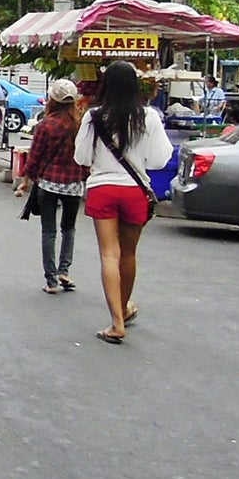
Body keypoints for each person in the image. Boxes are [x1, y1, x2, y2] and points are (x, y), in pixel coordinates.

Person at [72, 61, 174, 344]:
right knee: (128, 254)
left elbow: (81, 158)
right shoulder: (149, 117)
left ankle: (117, 321)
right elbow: (159, 159)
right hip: (134, 191)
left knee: (109, 254)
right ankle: (124, 308)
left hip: (103, 188)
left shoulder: (93, 117)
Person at [15, 79, 88, 294]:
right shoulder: (81, 124)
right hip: (74, 184)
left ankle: (51, 280)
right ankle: (64, 270)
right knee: (69, 228)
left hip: (48, 183)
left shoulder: (45, 125)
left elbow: (35, 157)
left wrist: (25, 182)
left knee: (49, 231)